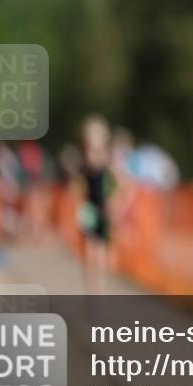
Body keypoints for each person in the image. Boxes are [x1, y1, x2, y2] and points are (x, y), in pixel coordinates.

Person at [77, 114, 117, 293]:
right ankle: (90, 292)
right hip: (90, 209)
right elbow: (81, 185)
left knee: (100, 254)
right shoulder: (84, 161)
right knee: (88, 253)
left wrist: (114, 203)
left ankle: (100, 292)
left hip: (104, 210)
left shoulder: (108, 161)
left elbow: (118, 183)